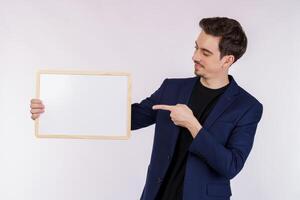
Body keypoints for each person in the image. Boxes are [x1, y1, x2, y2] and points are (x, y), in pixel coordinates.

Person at [30, 17, 263, 200]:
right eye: (196, 48)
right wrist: (56, 110)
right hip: (157, 195)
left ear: (227, 60)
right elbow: (125, 118)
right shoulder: (172, 88)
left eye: (205, 52)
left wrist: (193, 125)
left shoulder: (247, 107)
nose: (194, 56)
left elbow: (230, 165)